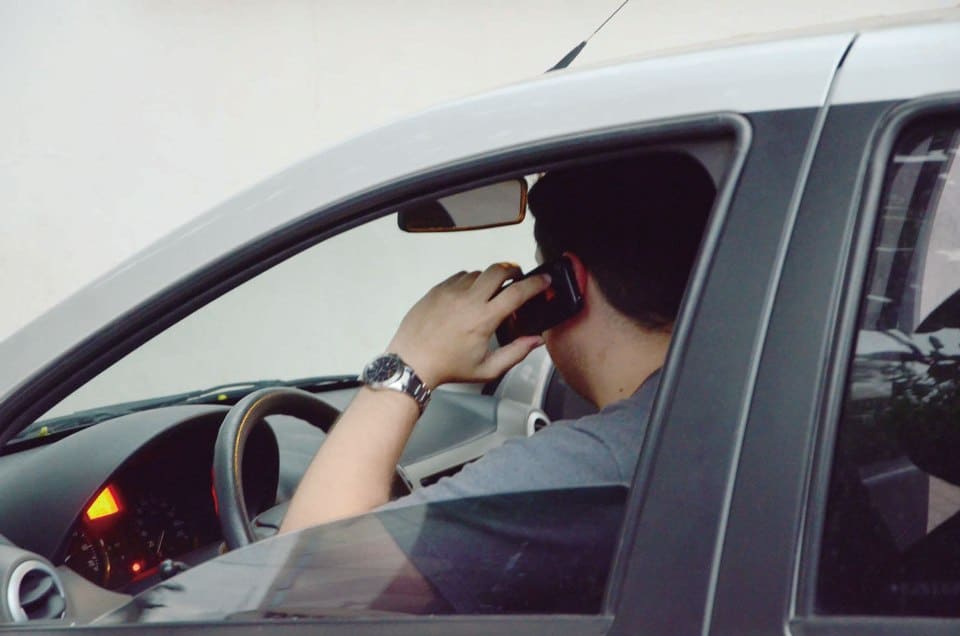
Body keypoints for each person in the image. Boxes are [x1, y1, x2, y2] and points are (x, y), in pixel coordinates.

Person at [280, 151, 716, 534]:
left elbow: (298, 579)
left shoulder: (590, 469)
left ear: (564, 284)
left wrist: (410, 360)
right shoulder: (720, 411)